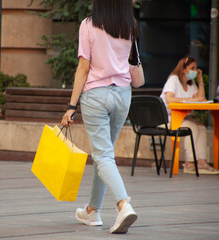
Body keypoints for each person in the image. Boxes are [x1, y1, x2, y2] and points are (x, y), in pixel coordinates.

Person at [61, 0, 138, 234]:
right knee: (103, 154)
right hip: (123, 95)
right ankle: (92, 211)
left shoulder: (88, 24)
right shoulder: (130, 25)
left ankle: (123, 205)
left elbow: (83, 68)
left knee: (103, 155)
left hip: (96, 95)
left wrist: (71, 106)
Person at [160, 57, 219, 175]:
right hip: (167, 118)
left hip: (182, 117)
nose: (195, 70)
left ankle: (201, 162)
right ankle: (189, 163)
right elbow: (169, 99)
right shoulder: (174, 79)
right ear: (183, 69)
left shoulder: (191, 83)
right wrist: (190, 99)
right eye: (192, 68)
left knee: (201, 127)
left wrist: (200, 79)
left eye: (196, 68)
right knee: (191, 127)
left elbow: (201, 98)